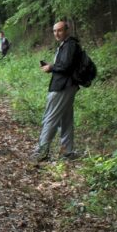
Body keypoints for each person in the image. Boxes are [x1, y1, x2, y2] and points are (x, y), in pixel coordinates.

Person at [33, 20, 81, 162]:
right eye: (54, 31)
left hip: (62, 87)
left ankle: (42, 152)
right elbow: (65, 65)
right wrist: (52, 67)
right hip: (66, 85)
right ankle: (67, 152)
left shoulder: (70, 45)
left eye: (59, 30)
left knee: (50, 118)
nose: (57, 33)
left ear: (67, 30)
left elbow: (66, 66)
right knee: (65, 119)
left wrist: (51, 67)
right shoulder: (66, 45)